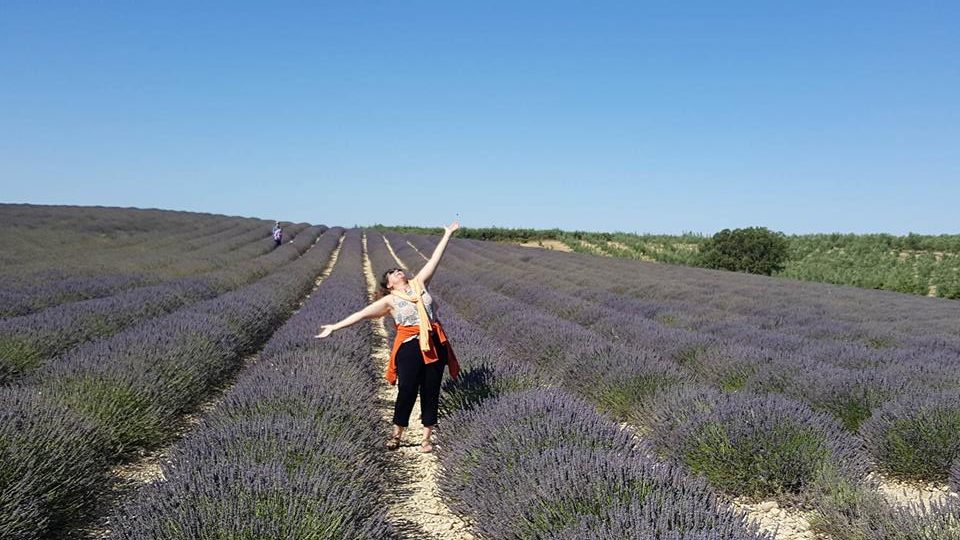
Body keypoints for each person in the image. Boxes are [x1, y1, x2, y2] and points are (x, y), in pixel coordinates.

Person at [314, 221, 461, 453]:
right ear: (389, 284)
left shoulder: (420, 284)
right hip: (410, 347)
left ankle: (426, 439)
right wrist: (335, 326)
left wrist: (447, 234)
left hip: (434, 343)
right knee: (407, 390)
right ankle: (397, 434)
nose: (397, 271)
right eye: (392, 272)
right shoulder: (389, 301)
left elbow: (434, 261)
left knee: (431, 390)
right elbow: (361, 315)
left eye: (398, 269)